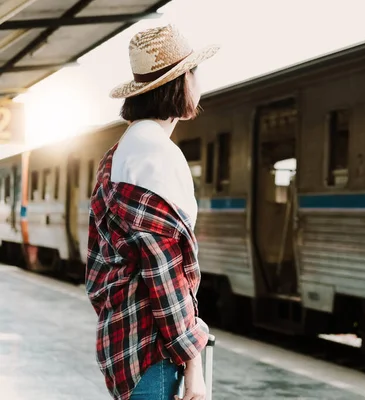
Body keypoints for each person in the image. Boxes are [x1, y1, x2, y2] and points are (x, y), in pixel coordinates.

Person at [85, 24, 219, 400]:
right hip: (151, 352)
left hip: (129, 343)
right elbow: (165, 275)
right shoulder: (154, 153)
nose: (199, 82)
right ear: (181, 83)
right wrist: (194, 366)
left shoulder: (123, 150)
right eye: (194, 72)